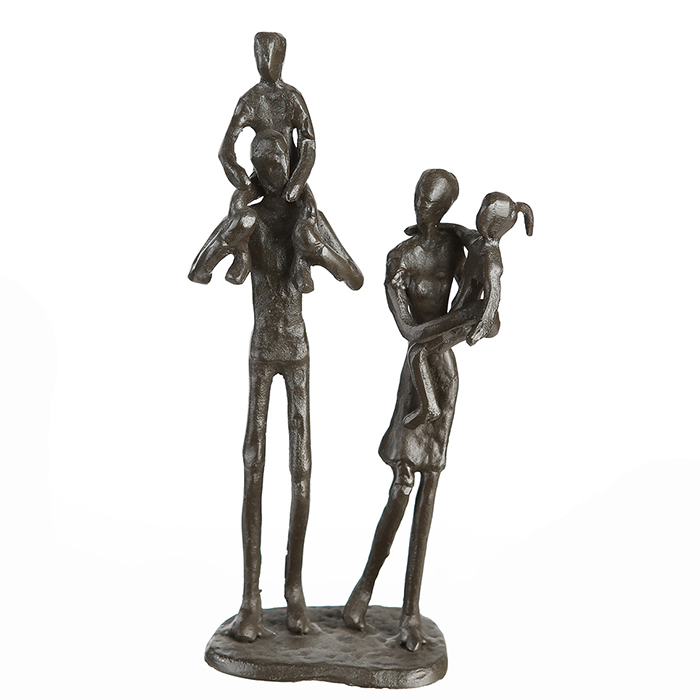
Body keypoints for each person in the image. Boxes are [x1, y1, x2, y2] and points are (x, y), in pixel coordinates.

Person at [343, 170, 532, 651]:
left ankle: (410, 611)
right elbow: (409, 331)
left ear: (447, 206)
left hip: (441, 372)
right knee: (401, 486)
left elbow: (487, 282)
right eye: (420, 198)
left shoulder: (457, 245)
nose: (423, 207)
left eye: (433, 202)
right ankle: (364, 588)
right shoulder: (400, 258)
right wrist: (461, 319)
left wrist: (479, 316)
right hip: (418, 368)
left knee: (429, 489)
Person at [207, 129, 362, 642]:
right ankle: (250, 599)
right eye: (263, 166)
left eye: (279, 164)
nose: (272, 174)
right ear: (255, 169)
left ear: (293, 164)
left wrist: (318, 253)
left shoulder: (306, 218)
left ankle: (293, 591)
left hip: (296, 351)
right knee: (253, 463)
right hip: (262, 350)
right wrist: (231, 238)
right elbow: (199, 268)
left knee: (301, 467)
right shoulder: (250, 217)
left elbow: (354, 275)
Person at [188, 32, 355, 293]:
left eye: (271, 56)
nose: (266, 63)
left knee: (308, 217)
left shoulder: (291, 98)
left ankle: (303, 261)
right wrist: (238, 175)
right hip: (261, 177)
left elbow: (308, 142)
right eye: (261, 56)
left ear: (282, 58)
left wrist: (297, 181)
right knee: (240, 215)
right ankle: (240, 255)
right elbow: (226, 148)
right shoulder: (250, 100)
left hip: (290, 178)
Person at [403, 191, 534, 428]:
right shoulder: (474, 240)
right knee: (420, 352)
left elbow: (494, 293)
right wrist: (422, 228)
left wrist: (483, 324)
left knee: (418, 353)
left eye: (490, 219)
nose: (483, 220)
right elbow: (456, 229)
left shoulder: (492, 260)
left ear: (499, 228)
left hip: (474, 317)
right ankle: (429, 405)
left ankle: (429, 407)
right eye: (483, 212)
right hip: (461, 314)